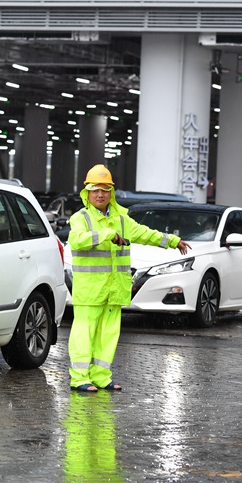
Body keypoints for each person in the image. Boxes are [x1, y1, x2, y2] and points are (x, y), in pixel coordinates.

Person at [67, 164, 191, 392]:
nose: (100, 194)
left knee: (108, 335)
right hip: (90, 291)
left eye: (105, 189)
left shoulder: (122, 220)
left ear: (111, 192)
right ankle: (79, 378)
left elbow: (145, 233)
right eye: (95, 190)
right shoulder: (80, 218)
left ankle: (101, 377)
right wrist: (107, 234)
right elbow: (77, 240)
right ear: (87, 192)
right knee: (84, 334)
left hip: (114, 290)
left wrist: (173, 241)